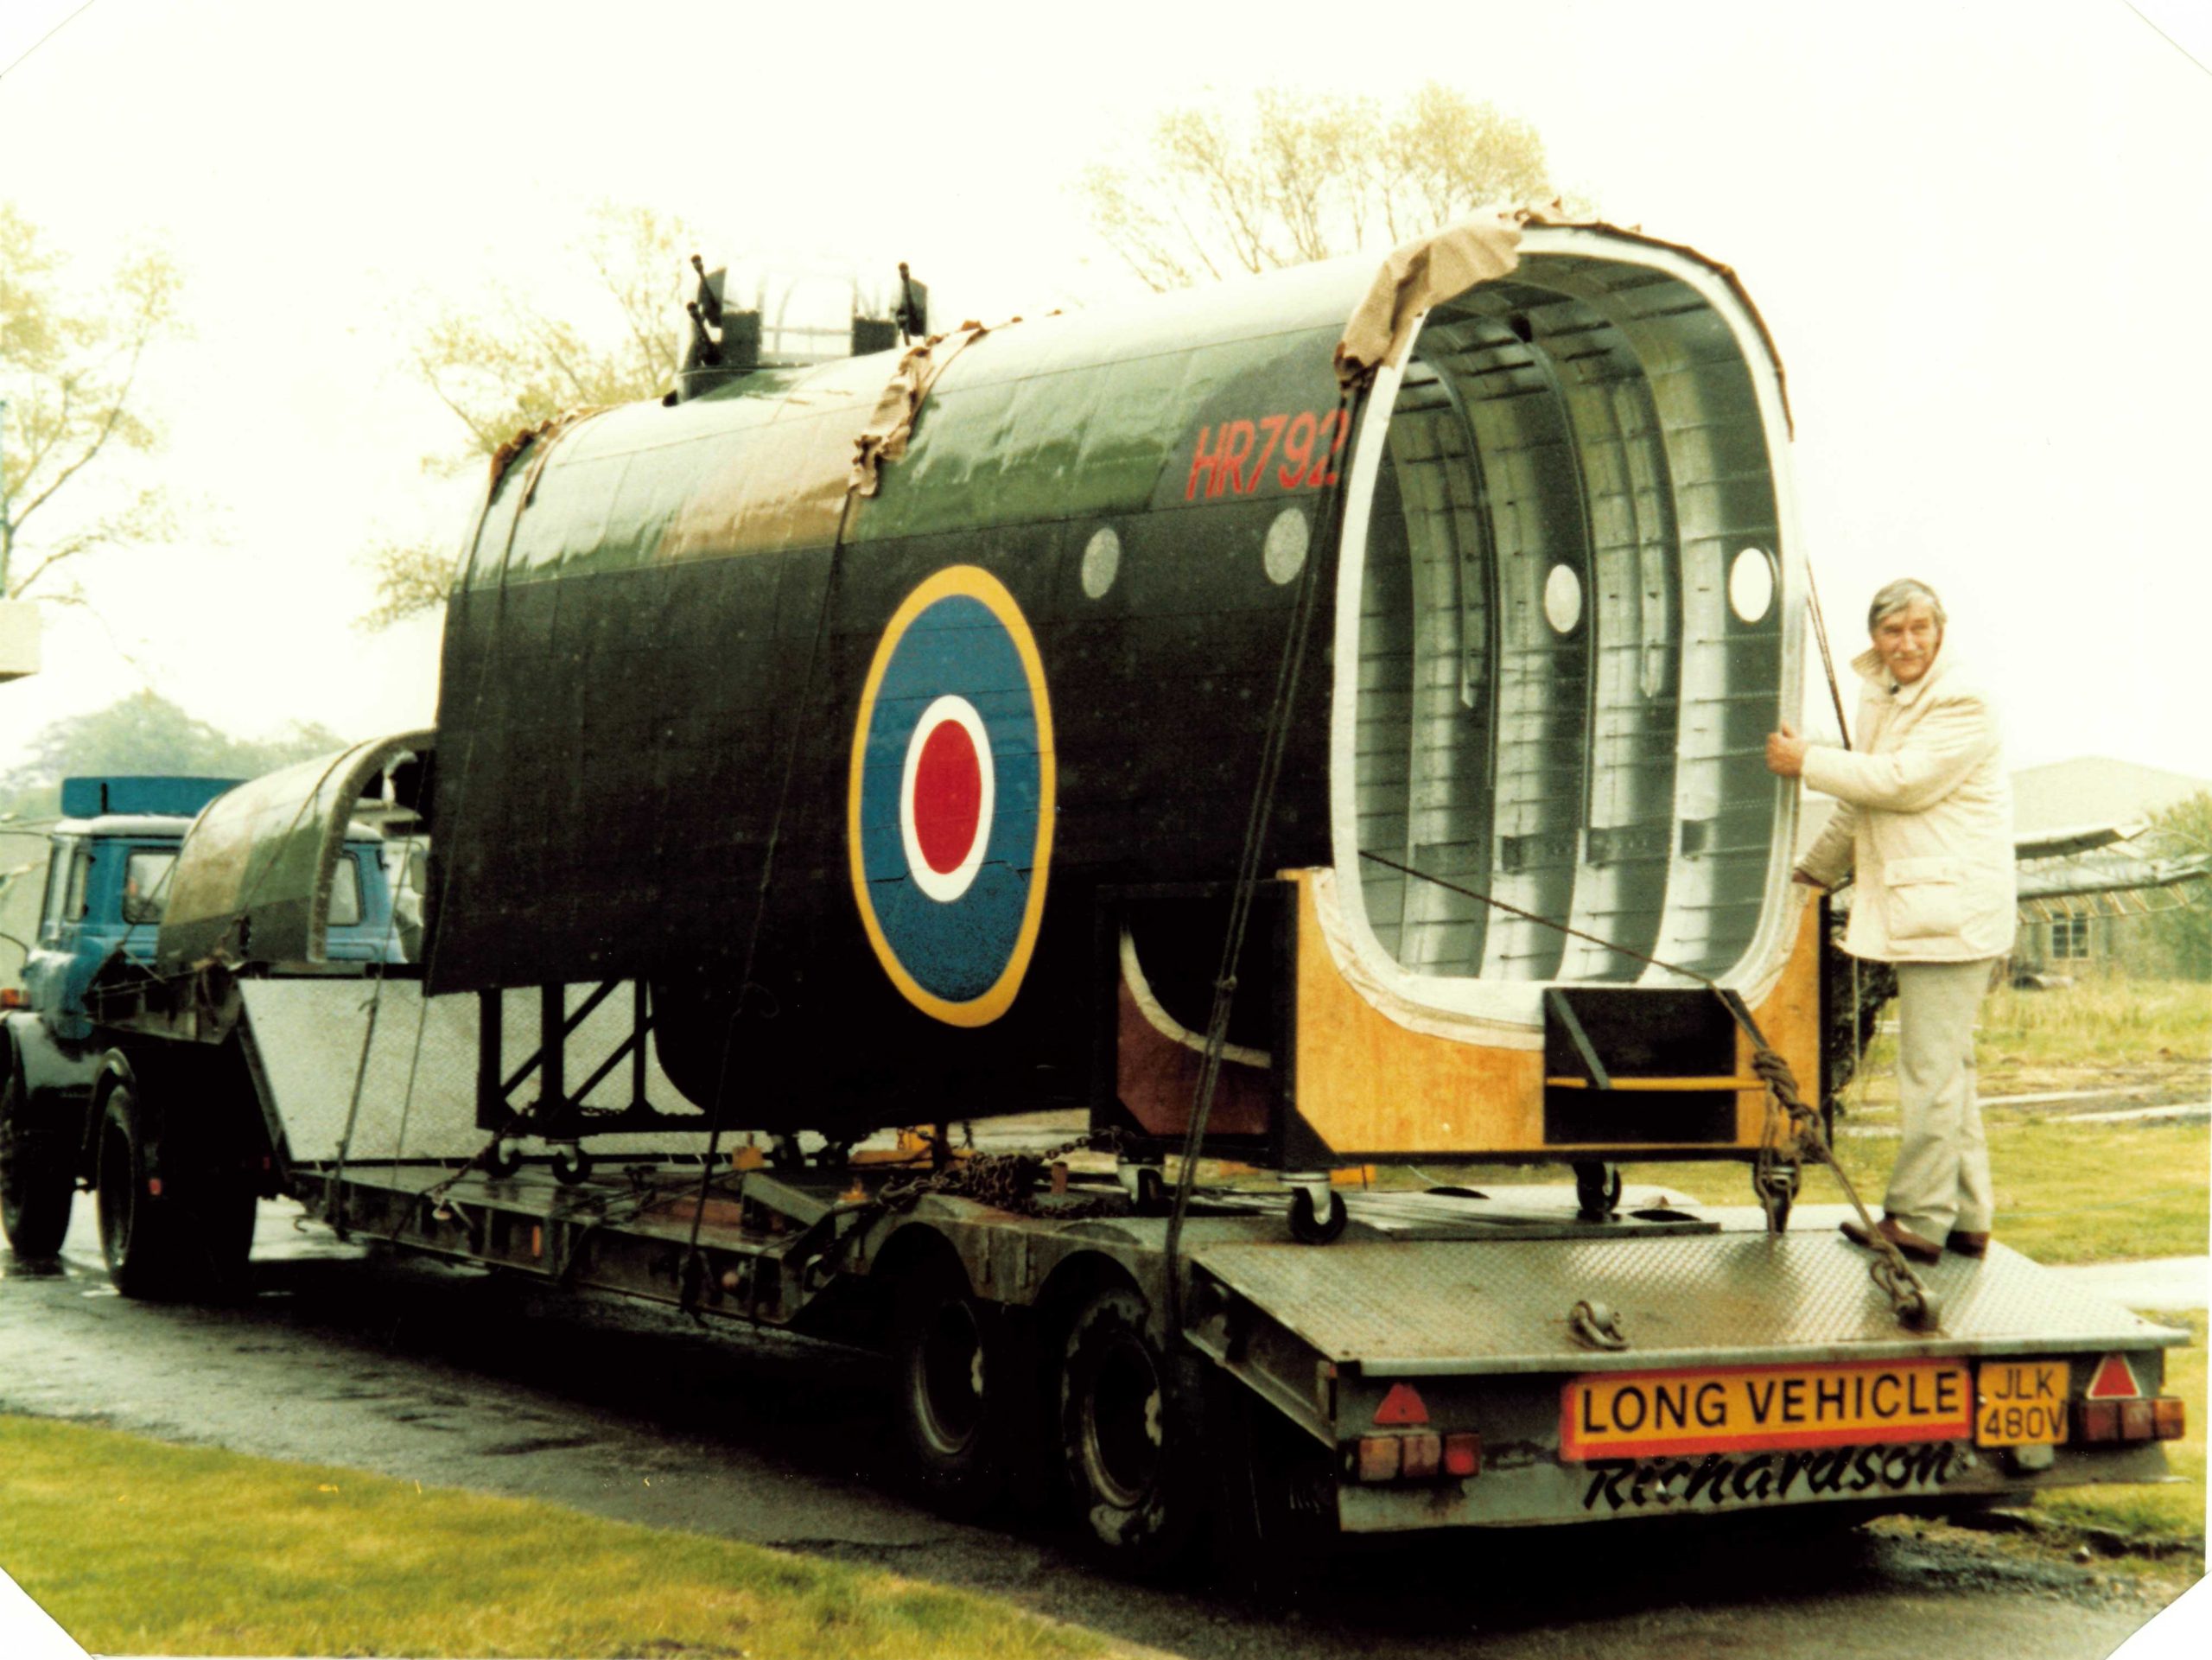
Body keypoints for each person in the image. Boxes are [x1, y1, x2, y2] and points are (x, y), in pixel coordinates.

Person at [1765, 577, 2015, 1264]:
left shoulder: (1964, 700)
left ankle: (1917, 1220)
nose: (1905, 643)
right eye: (1891, 631)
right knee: (1948, 1069)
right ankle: (1967, 1217)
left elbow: (1902, 782)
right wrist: (1812, 871)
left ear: (1940, 632)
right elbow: (1861, 796)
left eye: (1918, 629)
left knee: (1929, 1072)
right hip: (1931, 911)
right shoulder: (1888, 698)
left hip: (1951, 914)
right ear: (1875, 637)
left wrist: (1806, 760)